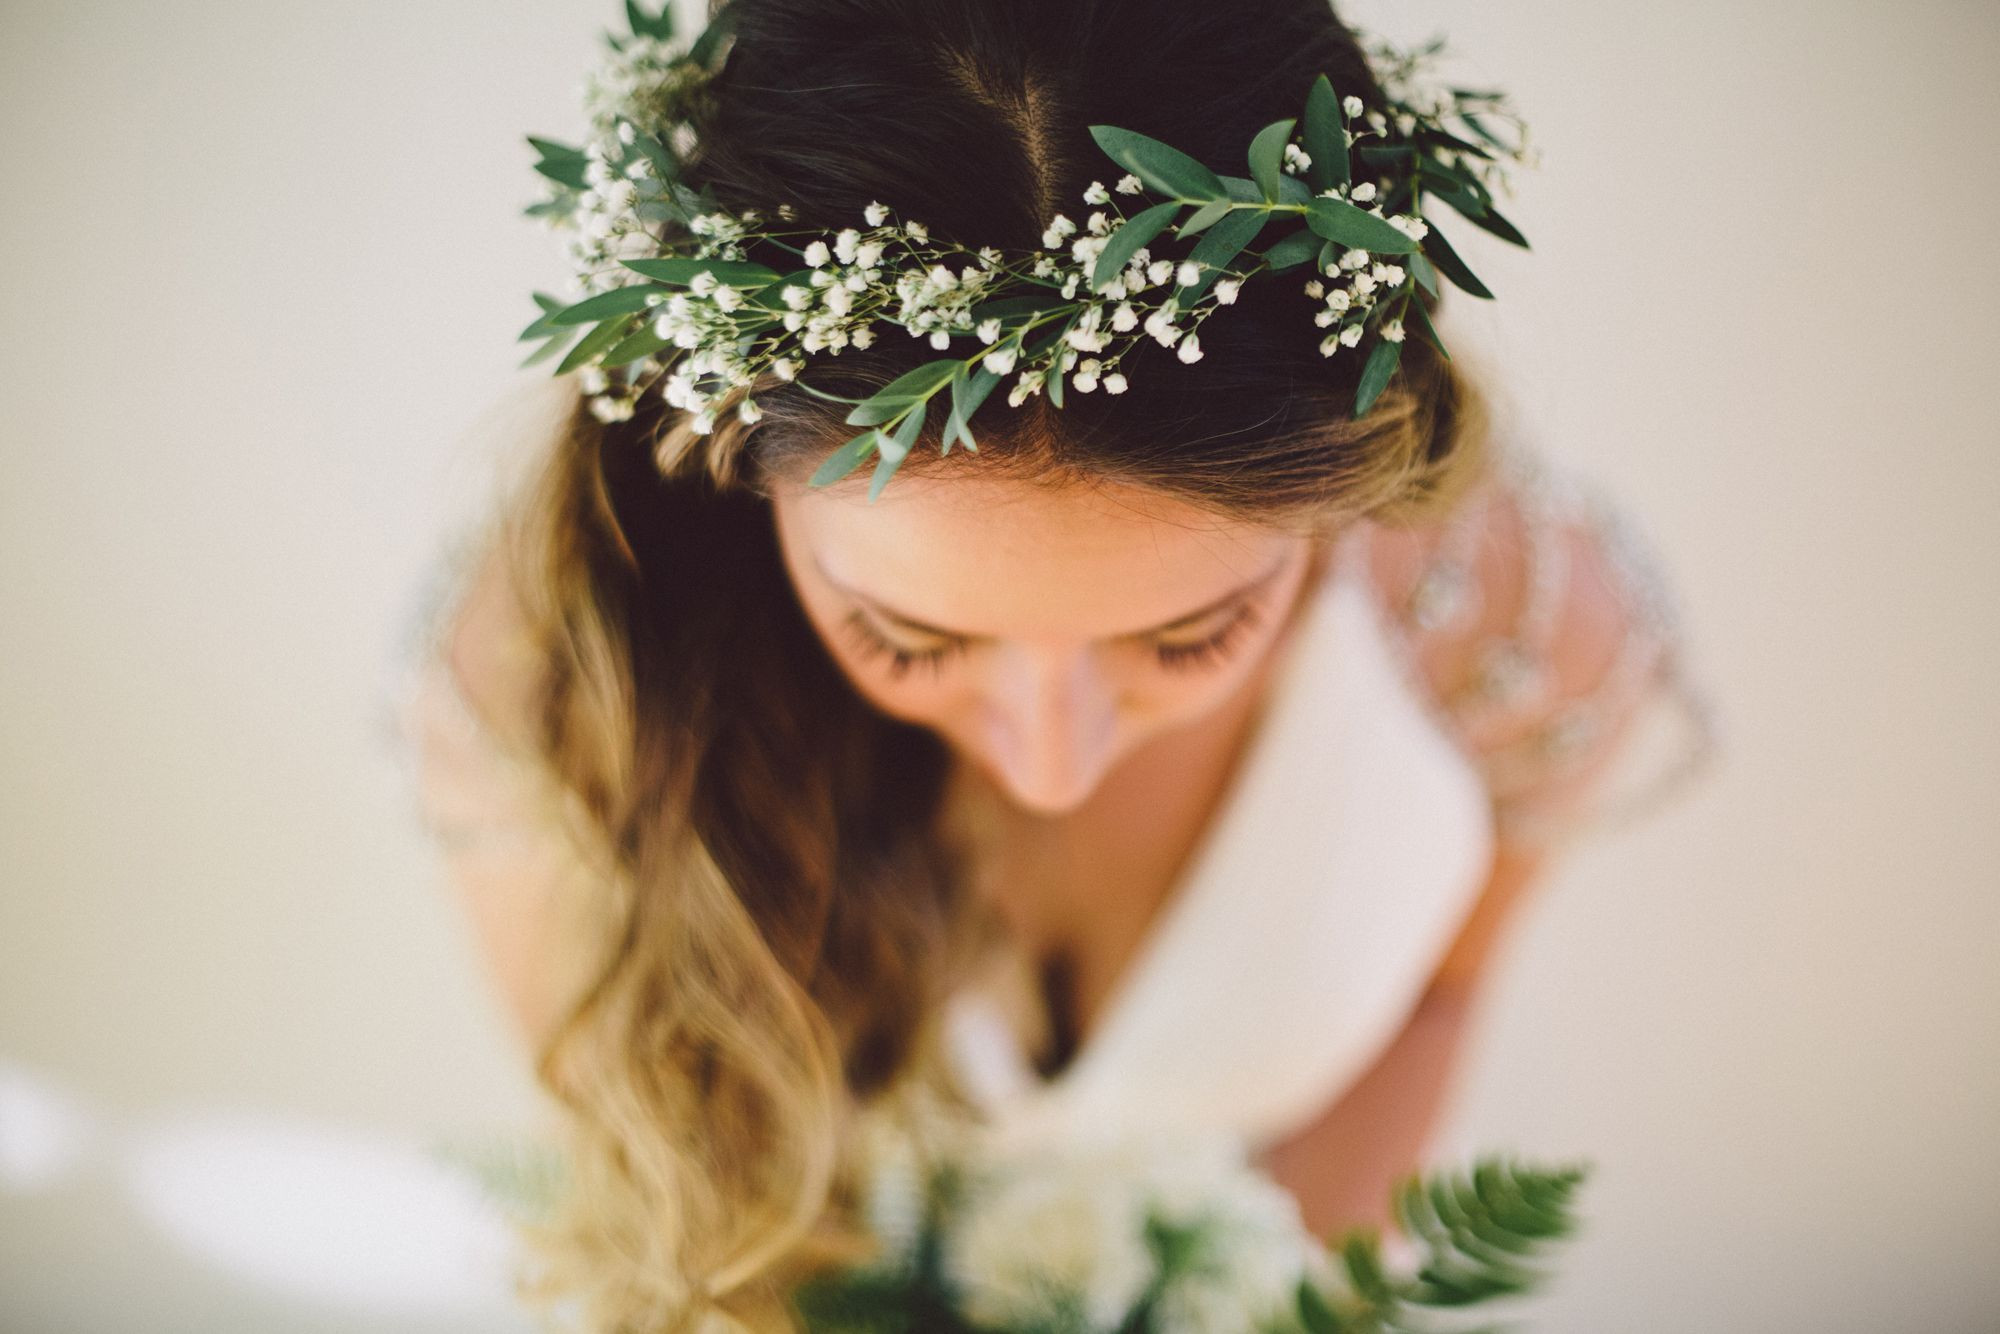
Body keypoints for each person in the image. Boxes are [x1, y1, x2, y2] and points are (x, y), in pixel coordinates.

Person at [395, 0, 1718, 1328]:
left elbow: (1438, 995)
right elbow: (670, 1209)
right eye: (904, 638)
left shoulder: (1504, 632)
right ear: (726, 459)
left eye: (1196, 633)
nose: (1051, 760)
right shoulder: (562, 679)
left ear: (1348, 496)